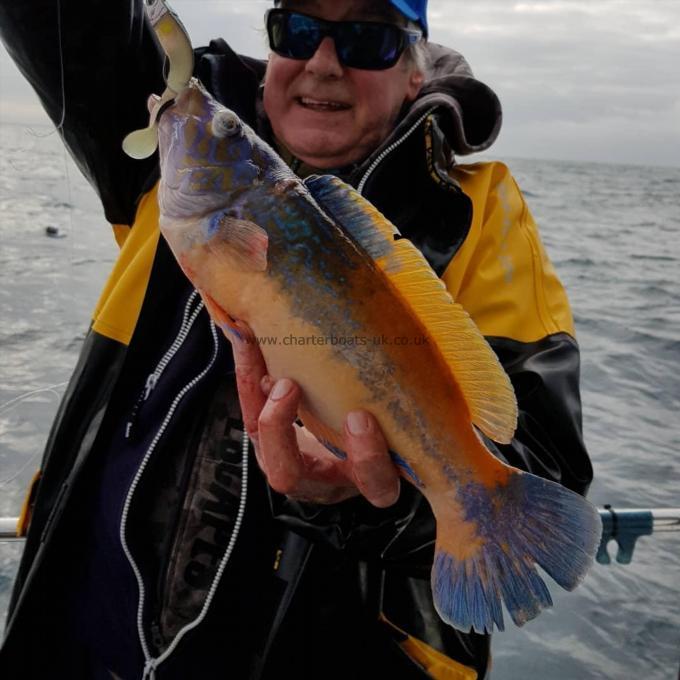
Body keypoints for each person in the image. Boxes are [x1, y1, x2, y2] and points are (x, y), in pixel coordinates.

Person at [0, 0, 594, 678]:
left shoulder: (473, 212)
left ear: (414, 73)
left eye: (367, 39)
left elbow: (543, 459)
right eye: (299, 31)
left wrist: (369, 508)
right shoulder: (180, 148)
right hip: (74, 631)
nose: (323, 62)